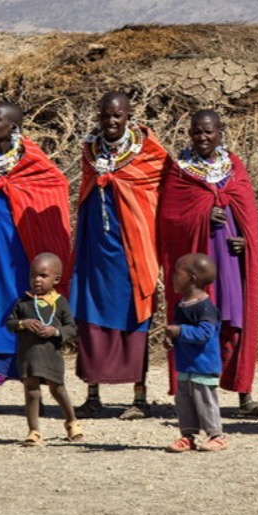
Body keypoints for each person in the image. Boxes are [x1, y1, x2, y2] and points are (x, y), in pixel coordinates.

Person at [0, 101, 71, 415]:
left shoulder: (30, 159)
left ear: (14, 126)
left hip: (16, 255)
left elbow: (55, 186)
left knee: (23, 315)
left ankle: (33, 393)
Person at [159, 109, 258, 418]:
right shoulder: (180, 170)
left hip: (230, 260)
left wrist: (245, 241)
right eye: (196, 131)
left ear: (221, 132)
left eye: (208, 131)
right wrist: (201, 215)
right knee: (198, 323)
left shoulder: (233, 167)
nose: (202, 137)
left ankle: (244, 395)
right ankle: (196, 396)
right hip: (199, 263)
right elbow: (169, 219)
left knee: (232, 325)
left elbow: (246, 213)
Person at [71, 92, 167, 419]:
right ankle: (92, 394)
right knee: (90, 316)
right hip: (95, 249)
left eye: (118, 116)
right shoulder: (89, 150)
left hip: (133, 250)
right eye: (106, 115)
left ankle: (139, 398)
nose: (112, 122)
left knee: (134, 315)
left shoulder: (148, 153)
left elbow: (159, 192)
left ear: (129, 116)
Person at [4, 252, 84, 446]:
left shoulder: (59, 302)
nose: (37, 280)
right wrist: (23, 323)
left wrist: (55, 331)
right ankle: (34, 430)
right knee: (31, 391)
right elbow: (10, 323)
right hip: (28, 355)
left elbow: (71, 328)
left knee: (58, 389)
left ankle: (71, 422)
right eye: (33, 275)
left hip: (50, 354)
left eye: (43, 276)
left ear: (56, 279)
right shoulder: (23, 302)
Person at [163, 253, 226, 452]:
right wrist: (171, 337)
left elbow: (205, 334)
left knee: (205, 401)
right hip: (186, 365)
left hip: (203, 365)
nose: (172, 277)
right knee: (184, 401)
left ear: (192, 278)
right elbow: (179, 328)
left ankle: (216, 435)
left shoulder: (205, 307)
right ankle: (187, 436)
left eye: (177, 273)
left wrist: (180, 331)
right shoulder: (181, 305)